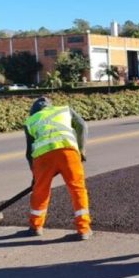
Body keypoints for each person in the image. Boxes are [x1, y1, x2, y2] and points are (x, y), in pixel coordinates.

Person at [24, 97, 92, 240]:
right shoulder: (65, 110)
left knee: (40, 191)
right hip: (68, 152)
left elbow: (29, 153)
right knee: (77, 189)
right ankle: (83, 229)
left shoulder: (31, 121)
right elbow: (82, 126)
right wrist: (82, 150)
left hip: (42, 157)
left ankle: (35, 227)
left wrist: (35, 177)